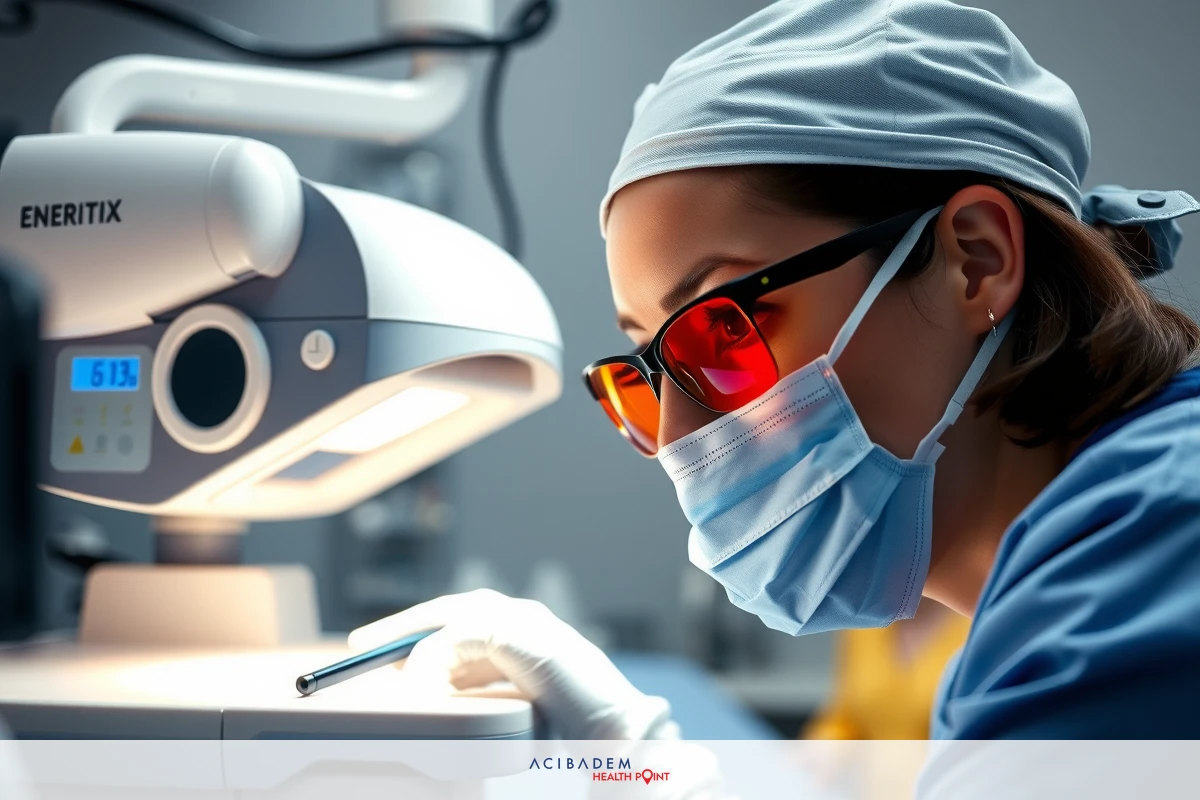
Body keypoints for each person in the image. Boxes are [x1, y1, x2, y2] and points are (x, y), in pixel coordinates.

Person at [349, 0, 1200, 740]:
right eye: (644, 372)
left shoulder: (1144, 563)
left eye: (722, 330)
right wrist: (632, 761)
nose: (676, 440)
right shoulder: (1072, 574)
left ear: (972, 261)